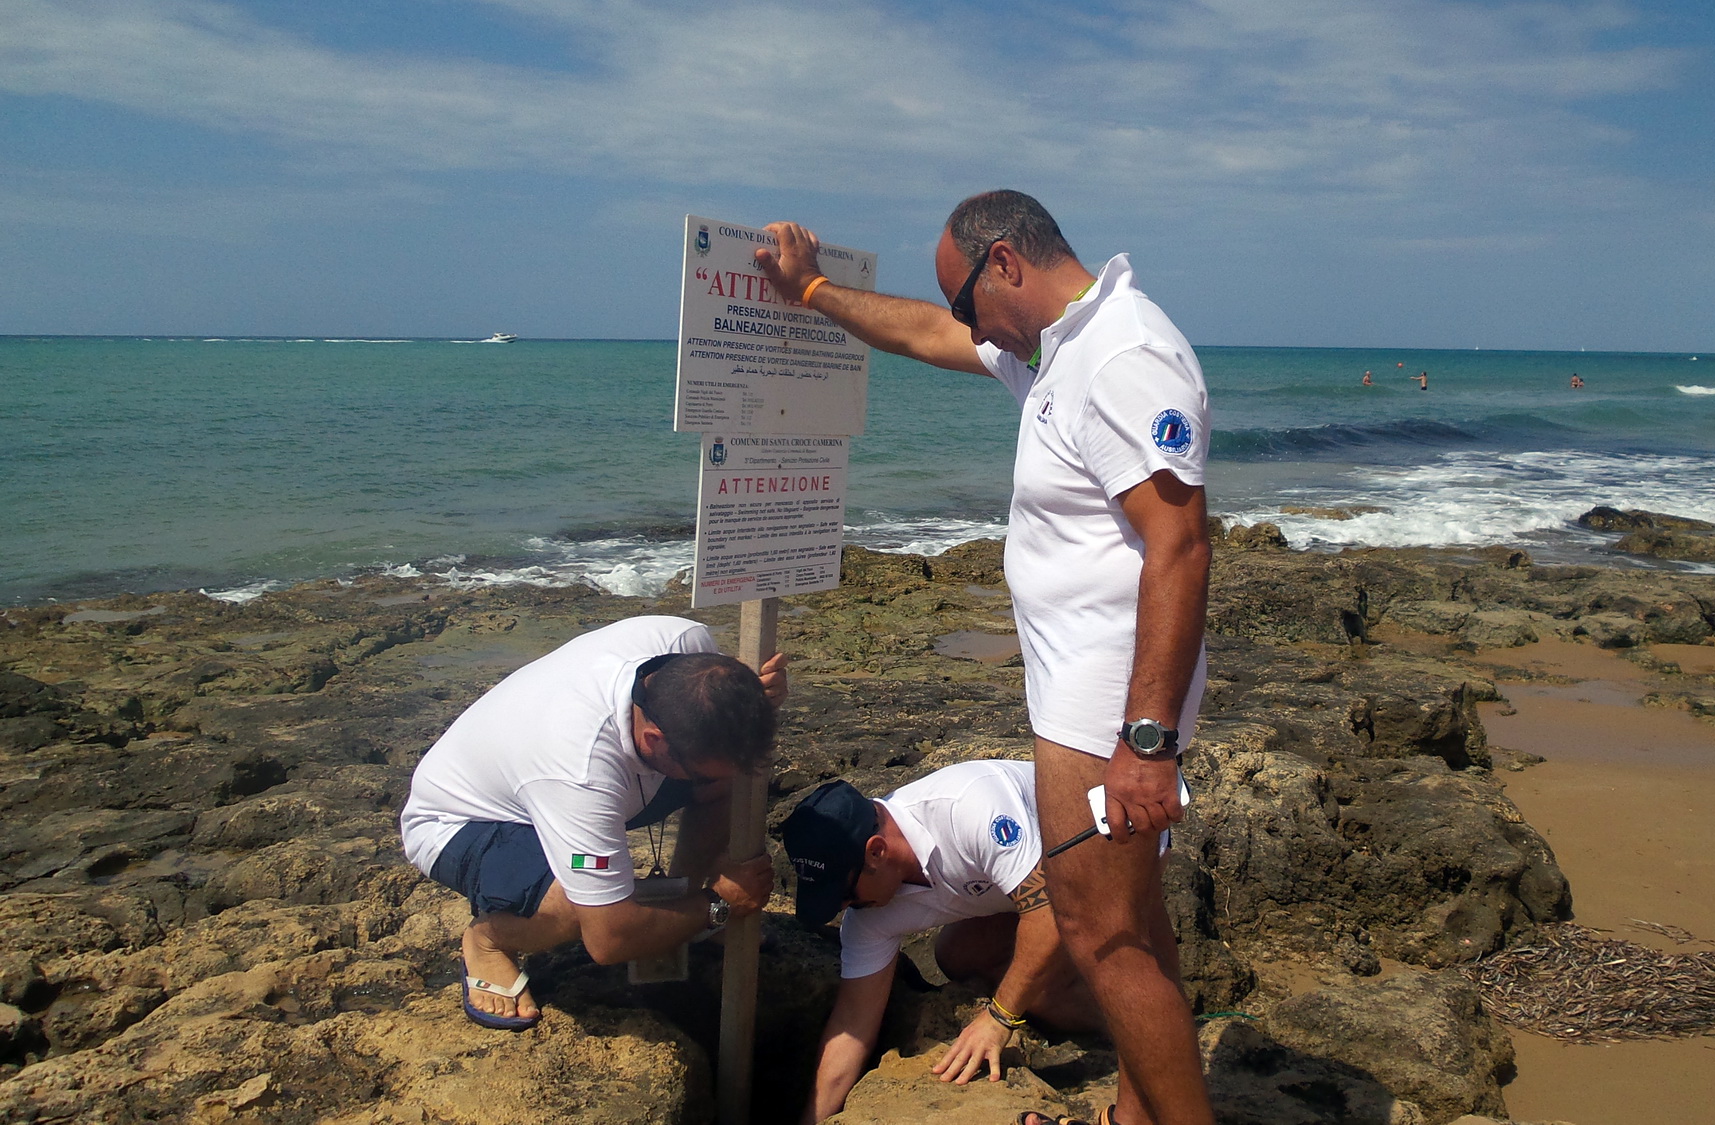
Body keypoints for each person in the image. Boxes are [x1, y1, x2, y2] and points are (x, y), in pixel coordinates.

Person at [755, 190, 1212, 1125]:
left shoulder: (1122, 354)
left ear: (1005, 261)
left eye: (968, 300)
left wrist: (1148, 737)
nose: (966, 323)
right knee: (1135, 933)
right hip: (1087, 697)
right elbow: (927, 332)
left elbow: (1182, 544)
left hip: (1108, 704)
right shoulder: (1059, 352)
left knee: (1102, 937)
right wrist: (812, 292)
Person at [399, 616, 788, 1029]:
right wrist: (721, 902)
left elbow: (723, 706)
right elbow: (607, 939)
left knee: (731, 780)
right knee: (576, 904)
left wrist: (755, 695)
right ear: (654, 740)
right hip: (464, 822)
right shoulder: (580, 772)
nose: (711, 779)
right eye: (701, 771)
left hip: (550, 784)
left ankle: (680, 916)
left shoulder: (685, 643)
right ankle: (490, 939)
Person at [785, 761, 1110, 1123]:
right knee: (960, 954)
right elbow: (853, 1023)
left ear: (877, 851)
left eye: (844, 892)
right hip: (1024, 887)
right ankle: (1100, 1020)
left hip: (1106, 842)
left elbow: (1049, 910)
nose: (844, 907)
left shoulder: (967, 809)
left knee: (1041, 975)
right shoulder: (868, 913)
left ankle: (1135, 1040)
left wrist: (1000, 1018)